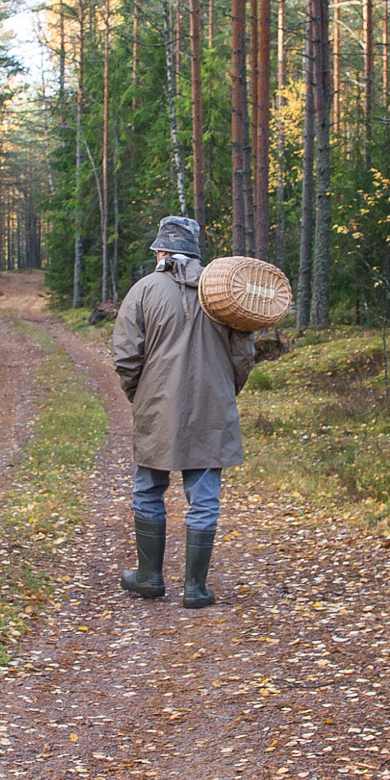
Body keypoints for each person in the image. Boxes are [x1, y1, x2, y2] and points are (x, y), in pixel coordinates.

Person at [111, 216, 255, 608]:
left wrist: (140, 397)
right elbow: (243, 355)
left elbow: (126, 357)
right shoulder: (224, 293)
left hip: (156, 407)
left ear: (160, 251)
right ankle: (195, 588)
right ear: (194, 251)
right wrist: (225, 393)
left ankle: (149, 577)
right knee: (204, 499)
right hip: (212, 408)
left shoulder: (143, 290)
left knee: (148, 490)